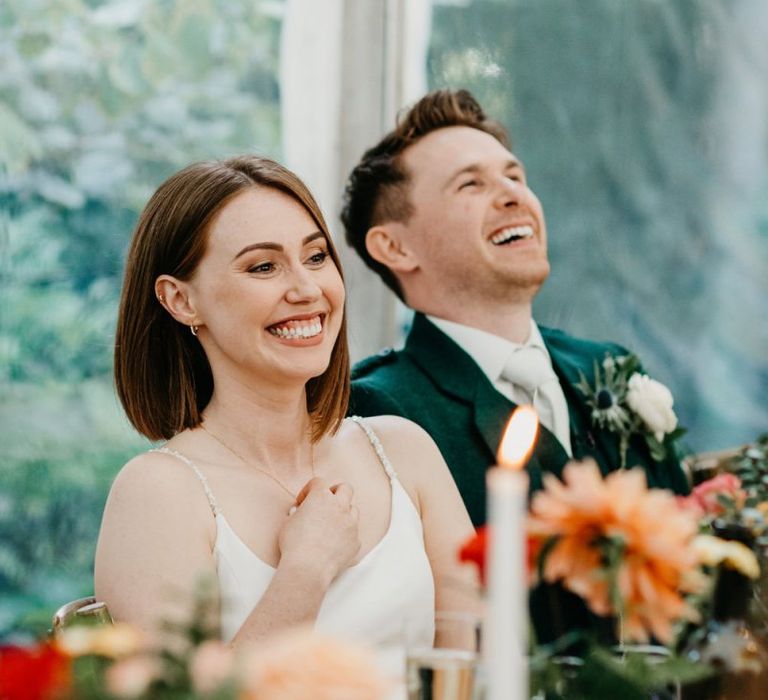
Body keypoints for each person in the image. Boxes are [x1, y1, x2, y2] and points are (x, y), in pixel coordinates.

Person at [95, 155, 475, 653]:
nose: (307, 288)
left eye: (316, 257)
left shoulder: (405, 451)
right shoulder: (159, 492)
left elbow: (491, 668)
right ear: (181, 301)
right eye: (264, 266)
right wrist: (305, 569)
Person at [341, 88, 690, 526]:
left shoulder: (610, 366)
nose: (513, 196)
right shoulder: (380, 409)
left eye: (515, 177)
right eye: (471, 183)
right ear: (395, 246)